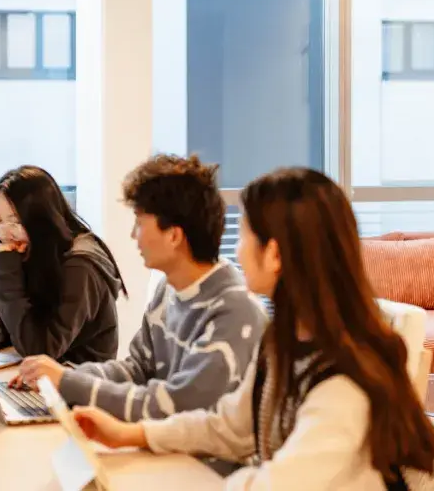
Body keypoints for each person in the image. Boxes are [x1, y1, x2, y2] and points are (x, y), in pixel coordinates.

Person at [71, 168, 434, 490]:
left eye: (246, 236)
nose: (236, 251)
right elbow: (230, 426)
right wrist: (132, 435)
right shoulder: (284, 342)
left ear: (276, 254)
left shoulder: (342, 384)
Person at [15, 154, 266, 422]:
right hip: (161, 448)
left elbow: (175, 405)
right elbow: (138, 369)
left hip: (202, 463)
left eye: (139, 222)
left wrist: (68, 383)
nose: (134, 234)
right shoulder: (168, 289)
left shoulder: (235, 312)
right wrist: (57, 376)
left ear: (173, 235)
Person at [0, 165, 128, 363]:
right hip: (39, 376)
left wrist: (5, 269)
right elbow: (12, 301)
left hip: (78, 383)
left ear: (42, 219)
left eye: (15, 222)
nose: (3, 233)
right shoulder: (34, 245)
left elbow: (40, 350)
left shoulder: (80, 266)